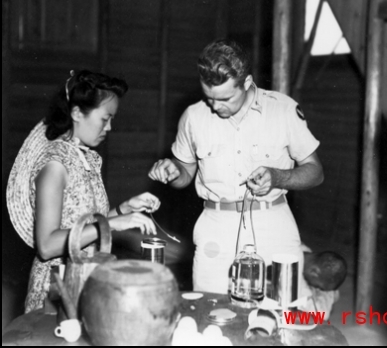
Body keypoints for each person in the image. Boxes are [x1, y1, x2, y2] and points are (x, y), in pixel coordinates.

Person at [148, 39, 324, 299]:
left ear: (247, 82)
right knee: (208, 309)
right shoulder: (193, 117)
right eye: (209, 98)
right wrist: (173, 171)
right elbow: (185, 173)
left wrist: (278, 177)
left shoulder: (282, 110)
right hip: (217, 227)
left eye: (225, 98)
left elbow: (315, 172)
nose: (216, 107)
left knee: (284, 308)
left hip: (273, 222)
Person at [7, 70, 160, 313]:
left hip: (85, 279)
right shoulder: (55, 164)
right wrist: (112, 225)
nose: (109, 127)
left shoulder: (83, 157)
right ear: (77, 113)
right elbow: (46, 245)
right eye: (105, 118)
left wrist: (124, 209)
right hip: (57, 291)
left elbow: (83, 225)